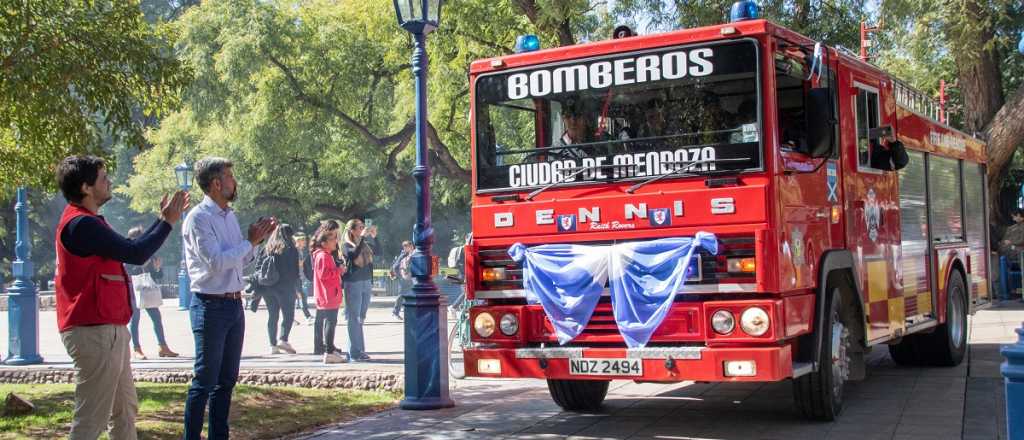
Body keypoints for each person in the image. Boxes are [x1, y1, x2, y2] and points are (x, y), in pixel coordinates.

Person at [54, 155, 189, 440]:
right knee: (91, 419)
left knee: (125, 411)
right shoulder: (82, 225)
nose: (109, 182)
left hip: (108, 330)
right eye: (103, 178)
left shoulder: (89, 222)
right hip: (94, 331)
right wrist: (166, 224)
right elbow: (136, 253)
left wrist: (163, 220)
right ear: (86, 187)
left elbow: (130, 247)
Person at [182, 157, 275, 440]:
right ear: (216, 183)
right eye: (230, 177)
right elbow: (216, 261)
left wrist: (257, 241)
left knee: (226, 381)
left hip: (234, 303)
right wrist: (250, 242)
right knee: (205, 380)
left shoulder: (229, 216)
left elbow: (241, 259)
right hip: (210, 305)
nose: (235, 182)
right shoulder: (199, 218)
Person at [126, 226, 178, 361]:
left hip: (148, 290)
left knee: (156, 318)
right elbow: (127, 271)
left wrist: (157, 267)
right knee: (135, 320)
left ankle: (163, 347)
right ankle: (137, 349)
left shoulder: (149, 252)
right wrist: (140, 264)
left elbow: (158, 275)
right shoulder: (127, 252)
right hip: (134, 291)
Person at [342, 218, 381, 362]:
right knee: (354, 318)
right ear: (351, 230)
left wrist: (375, 236)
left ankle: (359, 349)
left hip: (366, 282)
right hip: (353, 283)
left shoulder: (365, 243)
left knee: (361, 318)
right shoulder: (346, 245)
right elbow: (352, 256)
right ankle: (354, 352)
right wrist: (363, 237)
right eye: (359, 227)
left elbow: (378, 251)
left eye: (363, 227)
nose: (362, 229)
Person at [259, 224, 301, 355]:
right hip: (285, 286)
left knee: (273, 315)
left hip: (268, 287)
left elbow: (259, 267)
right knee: (288, 314)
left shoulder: (267, 248)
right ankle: (283, 339)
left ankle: (272, 345)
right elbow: (295, 270)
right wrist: (297, 287)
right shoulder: (290, 248)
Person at [311, 224, 347, 362]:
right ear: (324, 243)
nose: (335, 241)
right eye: (332, 239)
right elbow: (324, 275)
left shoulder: (324, 255)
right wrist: (339, 270)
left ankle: (330, 349)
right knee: (330, 322)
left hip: (329, 293)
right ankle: (329, 352)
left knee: (331, 322)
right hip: (328, 294)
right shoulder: (323, 256)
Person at [389, 241, 414, 320]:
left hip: (409, 277)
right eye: (408, 246)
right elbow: (395, 266)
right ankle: (395, 312)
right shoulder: (403, 255)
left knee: (407, 294)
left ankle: (398, 311)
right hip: (404, 277)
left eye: (411, 246)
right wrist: (400, 275)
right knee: (402, 294)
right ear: (405, 247)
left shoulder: (411, 254)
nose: (411, 247)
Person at [295, 233, 315, 325]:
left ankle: (292, 319)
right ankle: (307, 317)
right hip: (297, 278)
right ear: (298, 241)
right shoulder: (296, 251)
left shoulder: (300, 251)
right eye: (303, 241)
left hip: (301, 277)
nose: (305, 243)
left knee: (302, 297)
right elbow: (298, 264)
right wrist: (306, 260)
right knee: (302, 297)